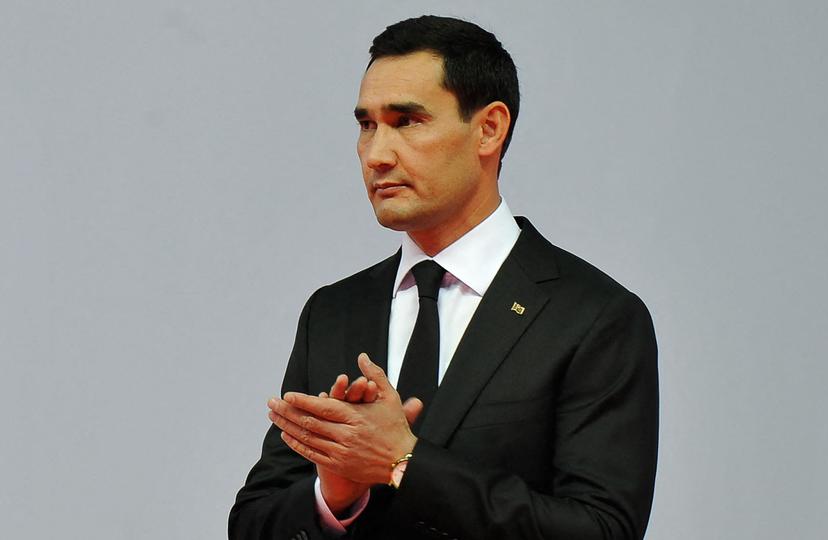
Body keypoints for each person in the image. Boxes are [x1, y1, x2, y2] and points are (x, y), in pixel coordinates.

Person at [229, 15, 658, 540]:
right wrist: (334, 497)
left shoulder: (593, 317)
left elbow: (602, 530)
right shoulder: (334, 311)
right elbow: (252, 524)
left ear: (489, 128)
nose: (377, 155)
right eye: (367, 126)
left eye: (407, 121)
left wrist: (404, 463)